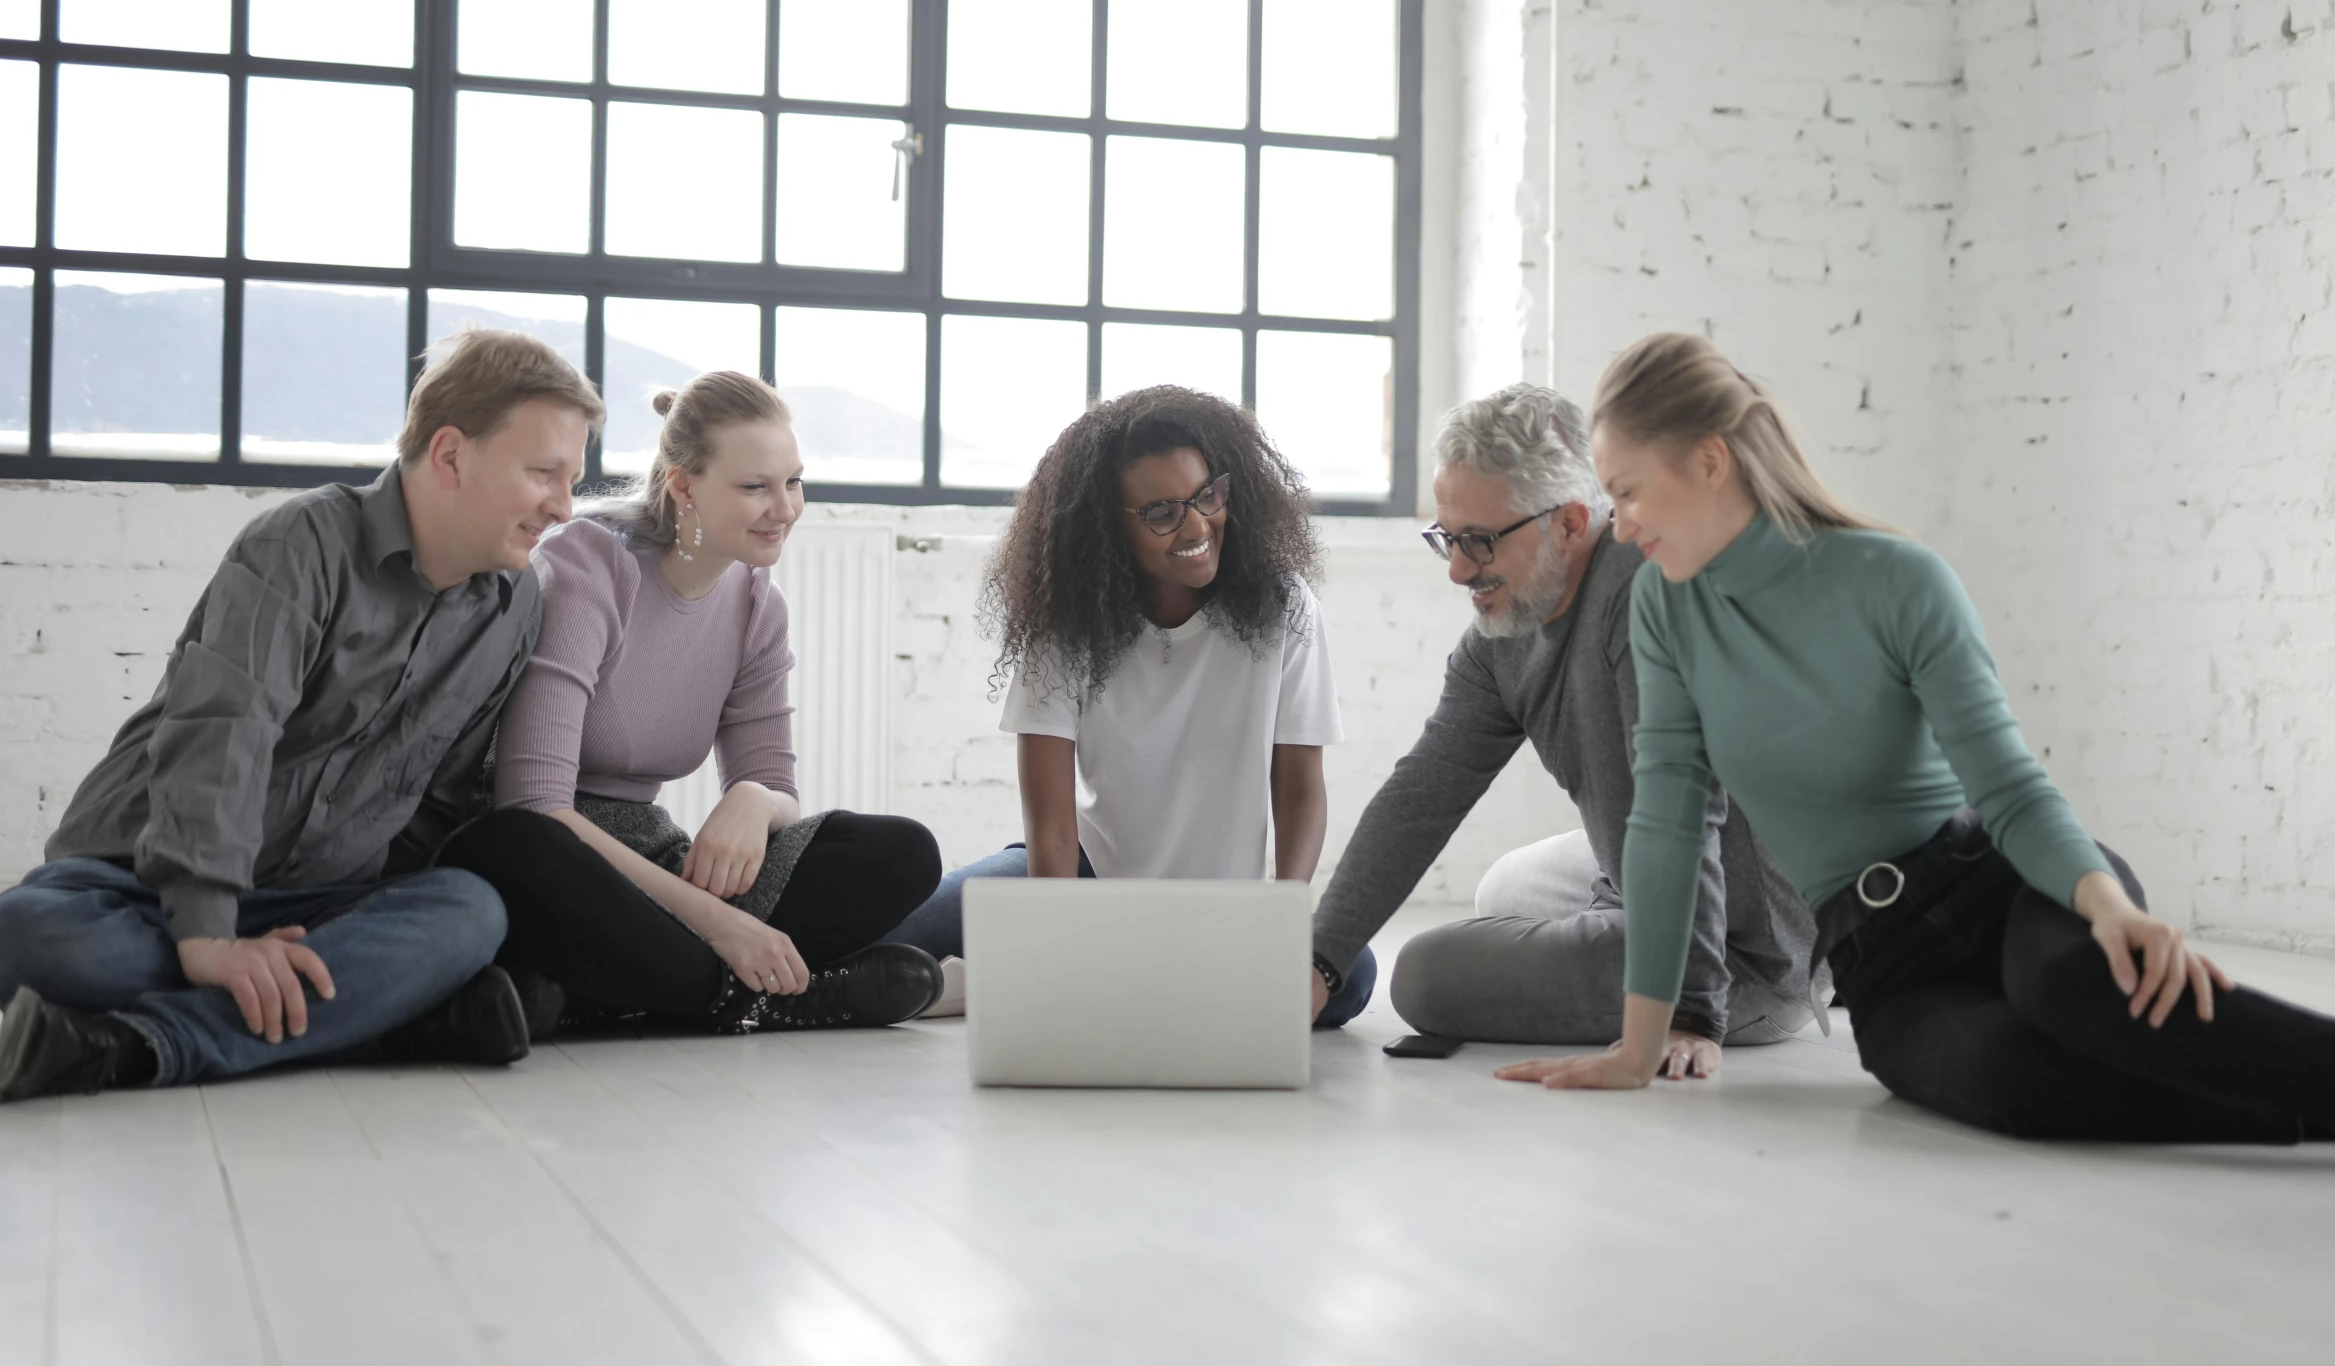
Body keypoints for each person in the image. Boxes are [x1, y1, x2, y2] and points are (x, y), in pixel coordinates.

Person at [1497, 332, 2335, 1143]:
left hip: (2001, 887)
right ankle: (2294, 1115)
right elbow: (1666, 825)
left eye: (1630, 490)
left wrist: (2109, 908)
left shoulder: (1896, 579)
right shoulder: (1664, 608)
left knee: (2069, 988)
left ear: (1710, 462)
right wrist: (1638, 1048)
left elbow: (2007, 783)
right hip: (1881, 965)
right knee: (2007, 1074)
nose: (1623, 523)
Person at [0, 330, 606, 1101]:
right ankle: (387, 1021)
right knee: (32, 937)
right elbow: (222, 736)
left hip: (315, 903)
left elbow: (435, 808)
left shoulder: (515, 606)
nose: (563, 506)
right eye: (544, 473)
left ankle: (136, 1045)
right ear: (452, 455)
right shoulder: (301, 543)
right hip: (141, 880)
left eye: (572, 478)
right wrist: (210, 936)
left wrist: (378, 933)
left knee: (468, 913)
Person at [1310, 385, 1817, 1071]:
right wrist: (1320, 962)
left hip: (1744, 942)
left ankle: (1788, 981)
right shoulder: (1503, 632)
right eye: (1447, 539)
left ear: (1572, 524)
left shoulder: (1647, 596)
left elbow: (1683, 814)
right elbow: (1423, 792)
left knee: (1425, 975)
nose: (1459, 569)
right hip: (1635, 869)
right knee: (1506, 887)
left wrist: (1691, 1010)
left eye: (1480, 542)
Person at [440, 371, 944, 1034]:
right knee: (519, 846)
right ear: (683, 486)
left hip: (653, 859)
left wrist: (752, 800)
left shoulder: (758, 605)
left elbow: (775, 786)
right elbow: (536, 803)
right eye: (754, 487)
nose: (784, 508)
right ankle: (773, 998)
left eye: (792, 481)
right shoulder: (588, 564)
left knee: (900, 852)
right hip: (555, 858)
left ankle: (596, 997)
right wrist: (721, 924)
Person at [890, 386, 1373, 1027]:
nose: (1198, 526)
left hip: (1226, 904)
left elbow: (1300, 791)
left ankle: (1021, 983)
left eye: (1207, 496)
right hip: (1084, 878)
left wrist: (1277, 918)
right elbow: (1053, 818)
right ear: (1108, 527)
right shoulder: (1066, 625)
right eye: (1162, 513)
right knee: (898, 939)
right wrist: (1062, 933)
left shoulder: (1283, 608)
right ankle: (1110, 982)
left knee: (1350, 975)